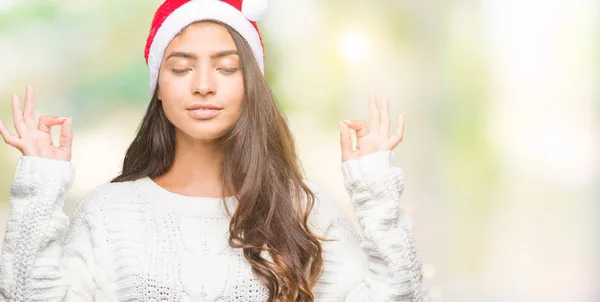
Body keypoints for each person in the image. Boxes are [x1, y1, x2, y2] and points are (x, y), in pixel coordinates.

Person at [0, 0, 425, 301]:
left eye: (226, 68)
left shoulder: (300, 208)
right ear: (159, 90)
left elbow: (399, 297)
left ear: (251, 87)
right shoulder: (109, 213)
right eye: (182, 68)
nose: (203, 84)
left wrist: (375, 190)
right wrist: (40, 185)